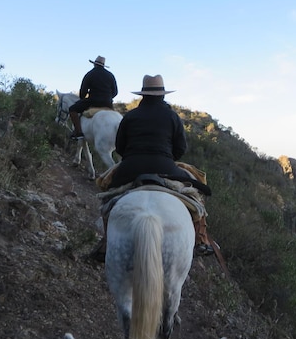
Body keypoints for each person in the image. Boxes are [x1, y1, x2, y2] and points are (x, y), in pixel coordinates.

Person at [89, 74, 214, 262]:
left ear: (143, 95)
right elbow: (181, 148)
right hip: (165, 166)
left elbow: (120, 148)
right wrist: (167, 158)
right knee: (195, 194)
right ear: (162, 95)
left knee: (108, 193)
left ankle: (106, 242)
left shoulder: (130, 116)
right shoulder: (172, 116)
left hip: (130, 167)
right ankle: (200, 239)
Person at [69, 55, 118, 139]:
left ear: (94, 64)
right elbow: (115, 92)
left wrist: (83, 98)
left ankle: (79, 133)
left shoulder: (90, 74)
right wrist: (108, 98)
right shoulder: (110, 75)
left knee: (72, 109)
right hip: (108, 103)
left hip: (93, 101)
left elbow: (83, 93)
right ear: (103, 65)